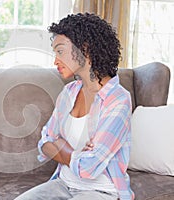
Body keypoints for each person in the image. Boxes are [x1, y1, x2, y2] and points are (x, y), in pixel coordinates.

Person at [15, 13, 134, 200]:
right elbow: (44, 142)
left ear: (84, 49)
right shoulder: (69, 92)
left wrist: (62, 146)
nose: (55, 60)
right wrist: (76, 154)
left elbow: (89, 167)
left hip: (101, 192)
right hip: (62, 183)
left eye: (60, 51)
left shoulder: (118, 99)